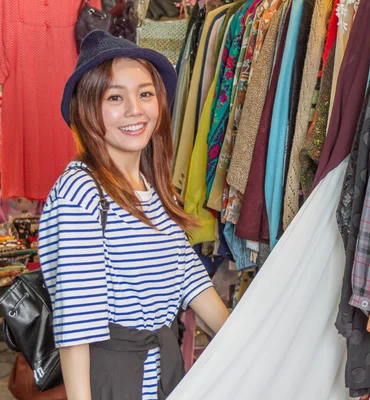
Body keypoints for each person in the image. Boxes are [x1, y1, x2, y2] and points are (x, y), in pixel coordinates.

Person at [37, 30, 230, 400]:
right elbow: (77, 322)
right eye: (114, 97)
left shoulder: (153, 185)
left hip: (162, 365)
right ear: (87, 108)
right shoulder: (81, 191)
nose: (135, 110)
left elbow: (187, 274)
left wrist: (251, 343)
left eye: (145, 93)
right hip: (112, 374)